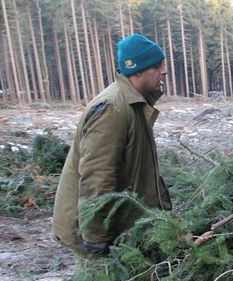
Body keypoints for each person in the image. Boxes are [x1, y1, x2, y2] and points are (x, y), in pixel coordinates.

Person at [52, 33, 172, 257]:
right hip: (98, 234)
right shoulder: (113, 109)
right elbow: (97, 178)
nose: (164, 71)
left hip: (120, 228)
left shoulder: (134, 103)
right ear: (137, 71)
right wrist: (97, 240)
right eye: (157, 66)